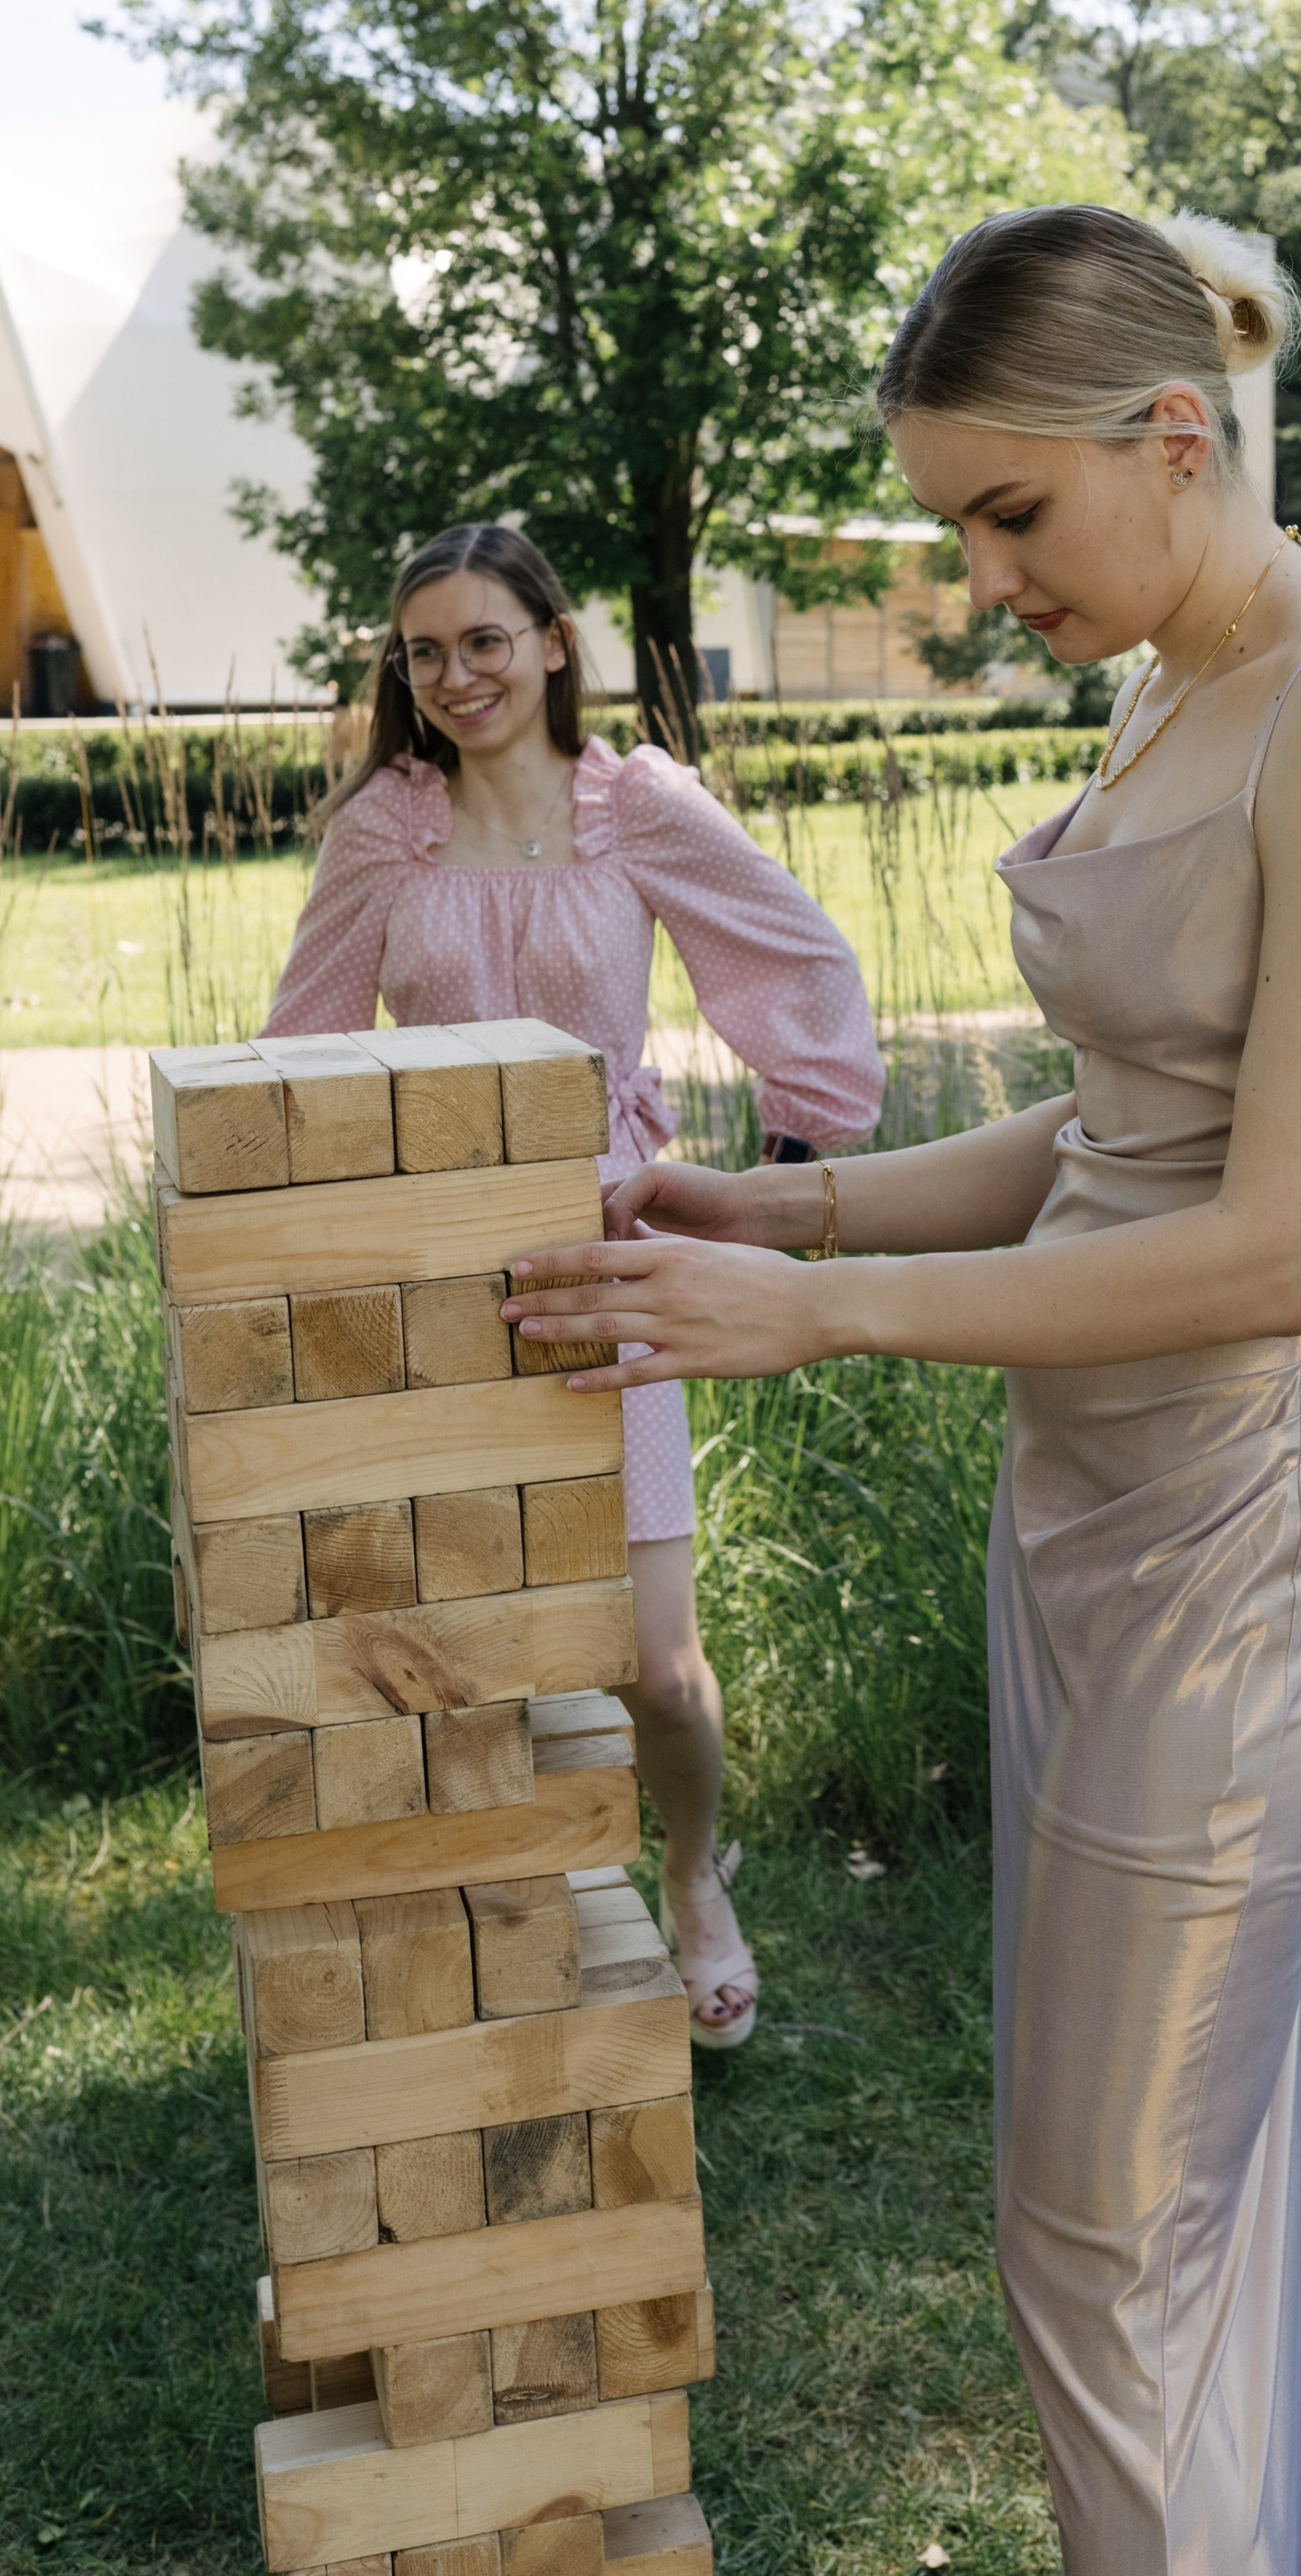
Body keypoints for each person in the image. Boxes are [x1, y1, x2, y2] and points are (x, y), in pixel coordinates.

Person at [505, 207, 1301, 2568]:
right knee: (1179, 2197)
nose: (980, 580)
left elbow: (1274, 1243)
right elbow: (1125, 1125)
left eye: (1010, 513)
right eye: (958, 524)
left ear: (1172, 436)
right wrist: (790, 1211)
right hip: (1095, 1514)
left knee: (1102, 2238)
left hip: (1261, 1539)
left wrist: (823, 1324)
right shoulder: (1173, 679)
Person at [264, 521, 884, 2047]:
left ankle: (690, 1874)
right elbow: (301, 1047)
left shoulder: (637, 806)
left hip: (611, 1264)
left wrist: (779, 1181)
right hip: (434, 1271)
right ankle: (506, 1924)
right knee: (474, 1654)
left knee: (655, 1669)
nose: (455, 675)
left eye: (484, 640)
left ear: (551, 642)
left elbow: (800, 967)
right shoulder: (386, 830)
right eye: (423, 651)